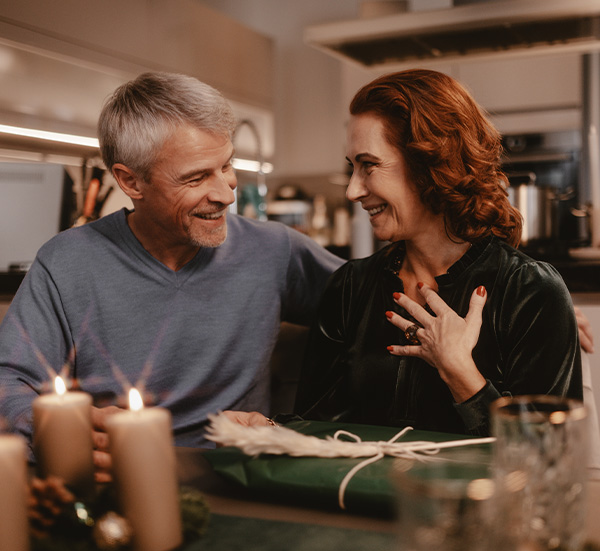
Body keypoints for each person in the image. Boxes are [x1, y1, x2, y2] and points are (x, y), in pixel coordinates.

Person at [0, 72, 343, 479]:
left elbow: (370, 311)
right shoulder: (67, 262)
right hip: (121, 479)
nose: (226, 194)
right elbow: (10, 379)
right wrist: (63, 431)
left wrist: (286, 428)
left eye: (227, 165)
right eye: (196, 178)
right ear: (130, 181)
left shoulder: (275, 250)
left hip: (242, 479)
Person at [291, 69, 583, 437]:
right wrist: (267, 429)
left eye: (369, 165)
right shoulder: (350, 286)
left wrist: (461, 373)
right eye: (353, 168)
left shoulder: (529, 292)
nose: (352, 191)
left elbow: (547, 457)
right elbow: (315, 430)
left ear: (431, 164)